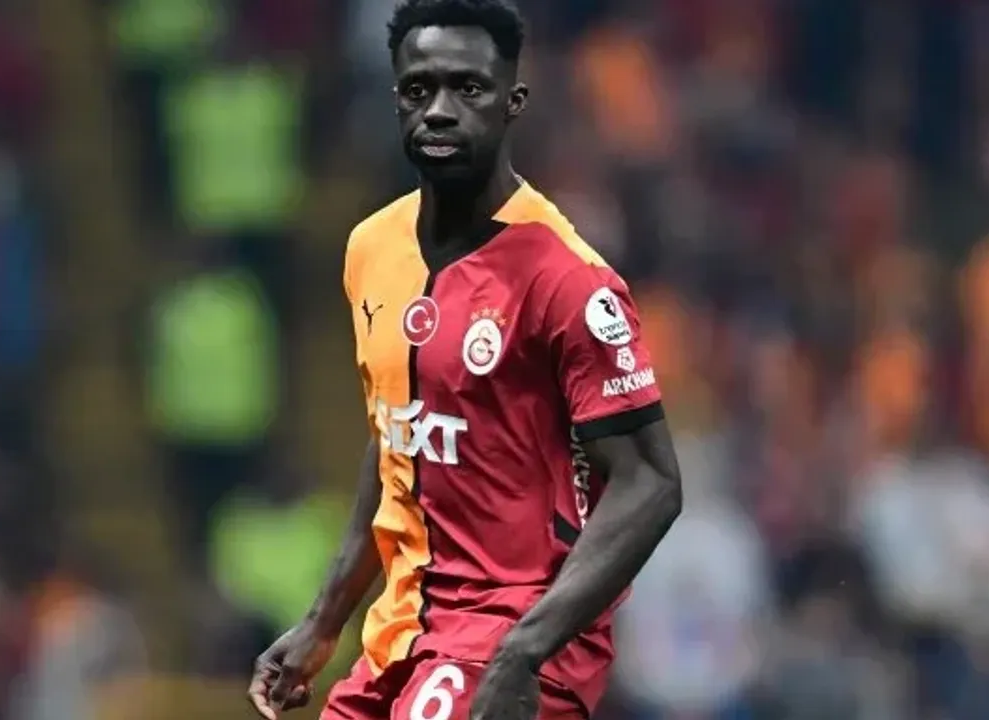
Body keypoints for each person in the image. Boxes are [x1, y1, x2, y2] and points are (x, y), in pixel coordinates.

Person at [247, 1, 683, 719]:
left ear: (513, 101)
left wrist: (526, 648)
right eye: (418, 90)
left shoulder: (566, 279)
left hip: (519, 632)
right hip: (402, 636)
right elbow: (398, 433)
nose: (440, 111)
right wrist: (324, 621)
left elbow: (653, 483)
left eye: (468, 88)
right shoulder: (371, 249)